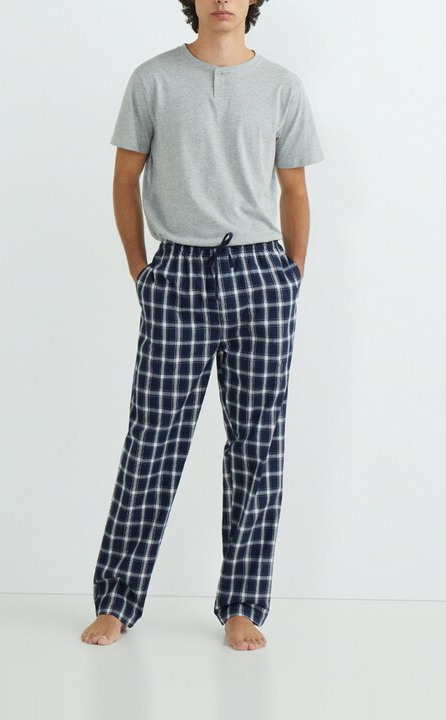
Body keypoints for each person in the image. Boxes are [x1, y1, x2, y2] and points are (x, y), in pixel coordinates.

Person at [81, 0, 324, 651]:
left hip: (261, 275)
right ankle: (118, 600)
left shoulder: (282, 87)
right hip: (178, 274)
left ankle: (242, 604)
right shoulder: (153, 79)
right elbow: (124, 179)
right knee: (152, 440)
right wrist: (141, 268)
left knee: (256, 444)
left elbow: (295, 190)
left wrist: (291, 276)